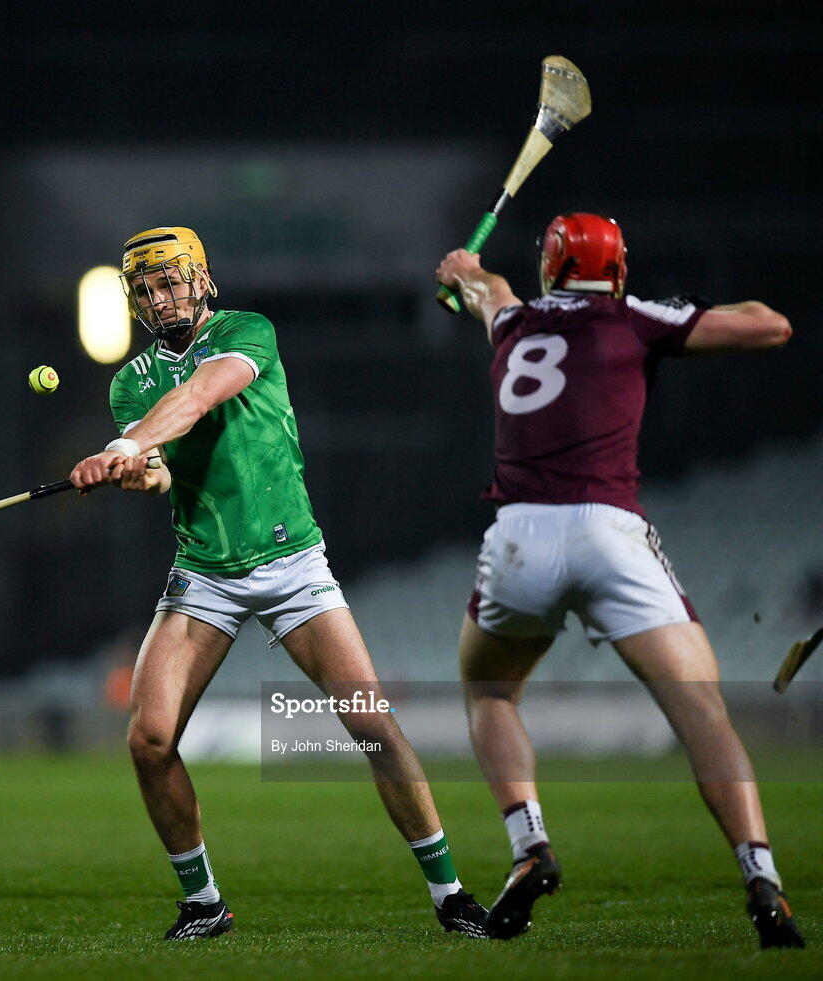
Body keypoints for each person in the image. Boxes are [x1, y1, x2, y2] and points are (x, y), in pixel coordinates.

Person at [71, 226, 489, 940]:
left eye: (173, 279)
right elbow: (166, 471)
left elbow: (204, 393)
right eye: (147, 286)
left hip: (293, 564)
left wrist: (126, 443)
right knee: (149, 737)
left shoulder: (247, 331)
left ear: (203, 279)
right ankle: (203, 903)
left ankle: (451, 894)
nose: (162, 295)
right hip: (204, 571)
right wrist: (133, 470)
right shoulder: (131, 383)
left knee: (372, 726)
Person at [435, 213, 805, 950]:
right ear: (621, 270)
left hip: (519, 538)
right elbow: (772, 327)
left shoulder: (511, 322)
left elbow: (479, 287)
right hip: (610, 533)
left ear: (549, 271)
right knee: (705, 714)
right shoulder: (631, 317)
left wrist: (460, 272)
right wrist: (677, 318)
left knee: (490, 694)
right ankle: (761, 876)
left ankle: (530, 842)